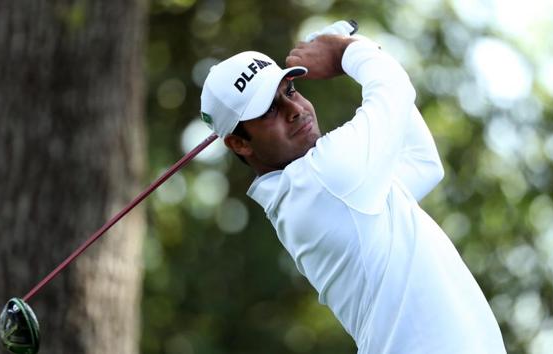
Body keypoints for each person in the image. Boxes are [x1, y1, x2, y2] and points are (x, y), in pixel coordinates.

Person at [200, 21, 506, 354]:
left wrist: (350, 45)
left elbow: (422, 163)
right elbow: (394, 88)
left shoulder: (315, 189)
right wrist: (345, 50)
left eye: (290, 91)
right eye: (270, 110)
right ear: (239, 143)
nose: (295, 110)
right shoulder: (323, 176)